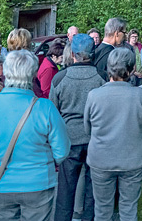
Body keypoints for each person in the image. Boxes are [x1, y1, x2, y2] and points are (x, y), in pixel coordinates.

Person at [0, 50, 71, 221]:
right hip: (38, 183)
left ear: (5, 71)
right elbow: (62, 150)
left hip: (0, 183)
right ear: (33, 74)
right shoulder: (45, 107)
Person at [84, 48, 142, 221]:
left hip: (101, 159)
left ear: (108, 68)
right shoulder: (140, 95)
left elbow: (88, 129)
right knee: (129, 208)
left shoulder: (94, 96)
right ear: (130, 71)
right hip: (132, 160)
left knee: (101, 209)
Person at [49, 34, 105, 221]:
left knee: (65, 189)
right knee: (92, 188)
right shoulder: (101, 78)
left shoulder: (59, 78)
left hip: (69, 140)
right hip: (94, 139)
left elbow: (53, 114)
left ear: (72, 53)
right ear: (93, 53)